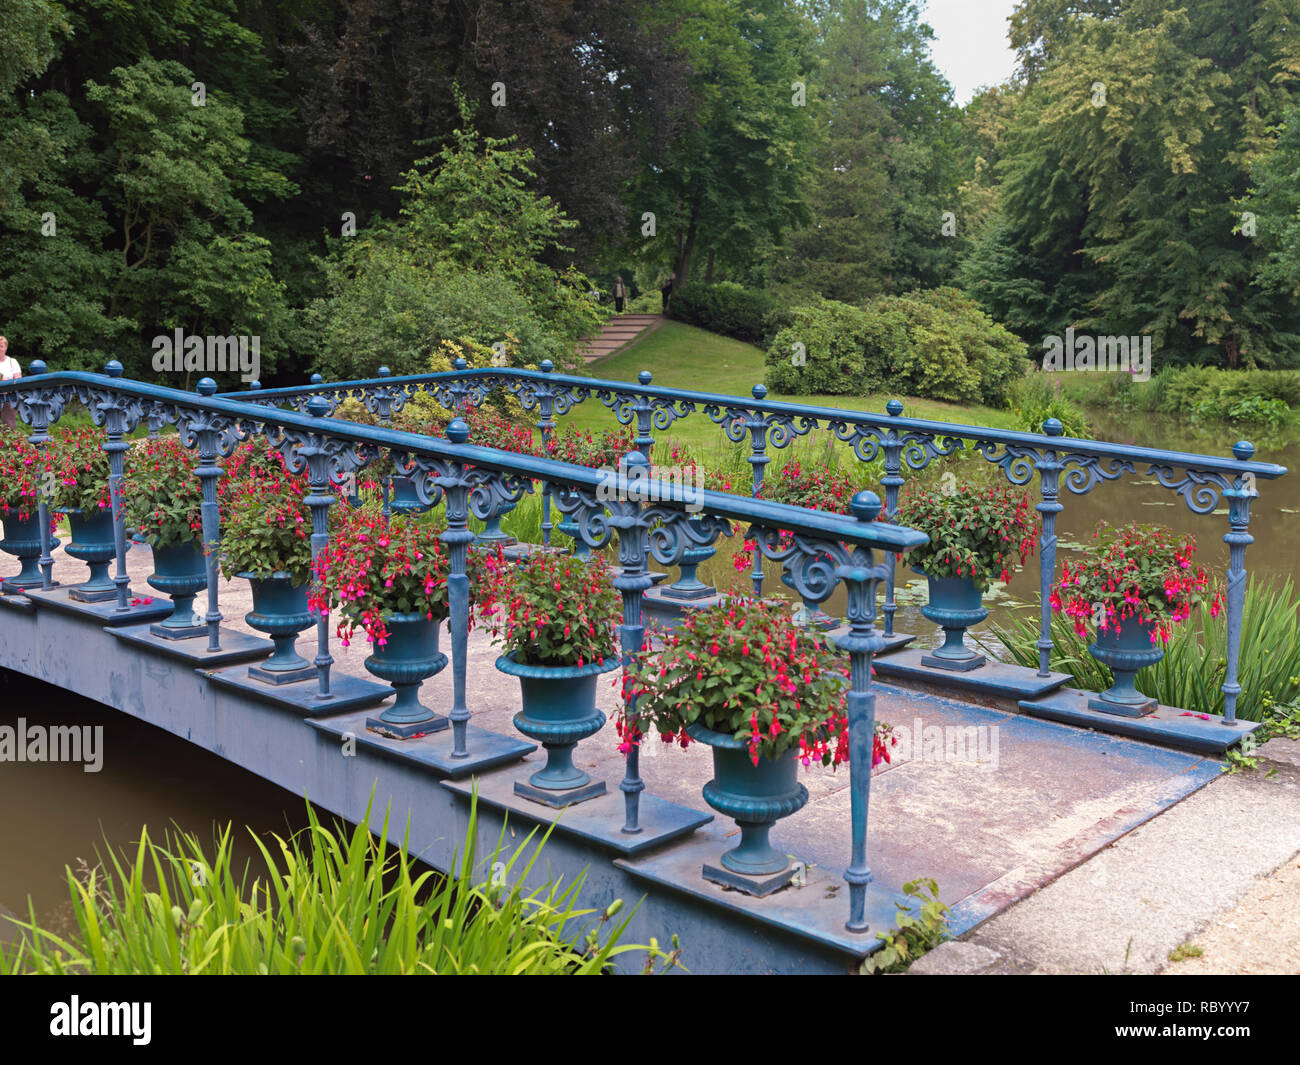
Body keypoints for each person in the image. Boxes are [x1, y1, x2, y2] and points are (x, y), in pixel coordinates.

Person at [0, 336, 20, 431]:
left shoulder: (12, 362)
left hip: (9, 399)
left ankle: (11, 446)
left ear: (5, 347)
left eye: (1, 346)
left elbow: (18, 380)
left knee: (9, 428)